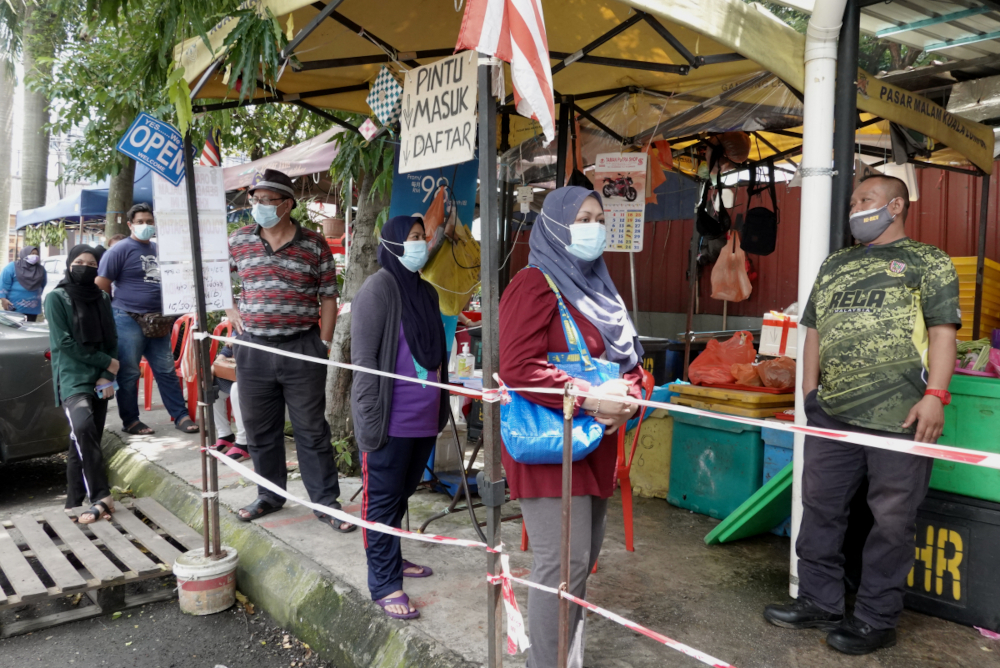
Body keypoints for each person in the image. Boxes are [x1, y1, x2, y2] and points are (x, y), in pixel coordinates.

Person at [764, 174, 960, 655]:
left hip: (901, 416)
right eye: (853, 201)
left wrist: (936, 394)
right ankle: (819, 601)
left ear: (895, 205)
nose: (855, 209)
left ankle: (876, 618)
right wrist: (810, 395)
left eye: (865, 200)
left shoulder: (927, 261)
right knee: (821, 510)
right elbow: (812, 331)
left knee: (892, 521)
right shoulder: (835, 264)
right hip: (832, 413)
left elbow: (942, 331)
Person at [499, 186, 642, 667]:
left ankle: (564, 661)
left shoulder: (601, 287)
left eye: (599, 218)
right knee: (560, 566)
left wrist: (631, 399)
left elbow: (631, 364)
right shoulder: (534, 283)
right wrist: (588, 397)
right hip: (550, 442)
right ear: (556, 226)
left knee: (578, 567)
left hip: (595, 442)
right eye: (582, 218)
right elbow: (518, 365)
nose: (594, 227)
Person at [226, 169, 351, 532]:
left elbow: (329, 295)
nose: (259, 206)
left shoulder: (314, 244)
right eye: (255, 199)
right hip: (253, 348)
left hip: (302, 347)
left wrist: (323, 343)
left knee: (312, 430)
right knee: (260, 430)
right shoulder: (238, 240)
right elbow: (217, 277)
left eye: (268, 200)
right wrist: (230, 309)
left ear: (287, 204)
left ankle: (326, 503)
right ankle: (269, 495)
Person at [351, 215, 450, 620]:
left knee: (402, 496)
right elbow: (364, 361)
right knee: (383, 500)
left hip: (425, 417)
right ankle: (385, 583)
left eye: (422, 238)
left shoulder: (425, 292)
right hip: (391, 421)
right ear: (392, 243)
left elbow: (435, 351)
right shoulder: (377, 290)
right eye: (412, 238)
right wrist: (370, 420)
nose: (420, 244)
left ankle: (392, 556)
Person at [97, 203, 199, 435]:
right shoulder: (119, 250)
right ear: (130, 224)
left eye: (150, 222)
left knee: (165, 369)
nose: (146, 225)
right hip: (127, 316)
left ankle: (180, 415)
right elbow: (101, 287)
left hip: (159, 320)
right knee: (130, 372)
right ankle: (131, 421)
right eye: (141, 221)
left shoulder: (161, 250)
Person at [44, 245, 119, 524]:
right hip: (72, 377)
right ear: (69, 263)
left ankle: (73, 502)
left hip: (101, 376)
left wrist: (108, 374)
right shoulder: (56, 298)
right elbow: (63, 343)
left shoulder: (101, 296)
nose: (84, 267)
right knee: (83, 428)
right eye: (79, 261)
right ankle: (101, 495)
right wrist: (106, 362)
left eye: (91, 263)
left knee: (84, 440)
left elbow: (112, 337)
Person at [211, 344, 250, 461]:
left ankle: (244, 441)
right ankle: (225, 435)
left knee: (237, 388)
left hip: (263, 368)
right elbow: (226, 350)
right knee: (211, 385)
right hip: (241, 369)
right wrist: (217, 364)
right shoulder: (241, 325)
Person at [1, 246, 47, 321]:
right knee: (15, 330)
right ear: (24, 254)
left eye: (36, 254)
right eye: (32, 253)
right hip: (14, 307)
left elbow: (42, 284)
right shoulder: (12, 267)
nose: (34, 256)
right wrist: (3, 299)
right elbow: (4, 283)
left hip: (33, 309)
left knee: (29, 329)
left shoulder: (41, 269)